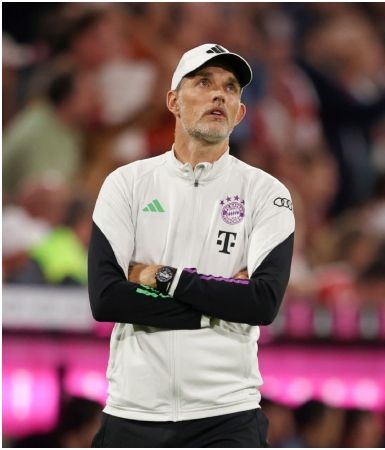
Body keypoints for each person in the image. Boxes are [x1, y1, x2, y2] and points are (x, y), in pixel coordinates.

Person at [88, 43, 295, 447]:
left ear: (240, 112)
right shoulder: (125, 184)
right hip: (132, 412)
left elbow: (262, 304)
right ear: (173, 102)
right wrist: (216, 309)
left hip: (227, 416)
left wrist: (158, 276)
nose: (220, 94)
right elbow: (107, 298)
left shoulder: (267, 194)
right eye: (203, 82)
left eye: (231, 88)